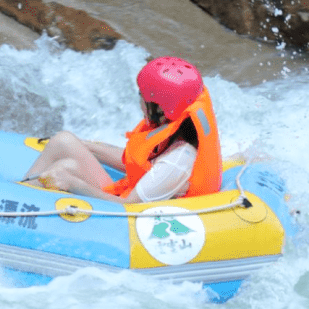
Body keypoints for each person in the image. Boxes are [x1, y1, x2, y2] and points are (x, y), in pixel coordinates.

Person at [22, 56, 222, 203]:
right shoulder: (175, 130)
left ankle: (16, 200)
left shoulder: (178, 160)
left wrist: (72, 183)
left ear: (160, 108)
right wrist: (85, 147)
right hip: (128, 193)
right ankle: (18, 191)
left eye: (142, 97)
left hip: (125, 212)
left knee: (65, 170)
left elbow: (128, 208)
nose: (140, 102)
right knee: (64, 142)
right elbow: (138, 163)